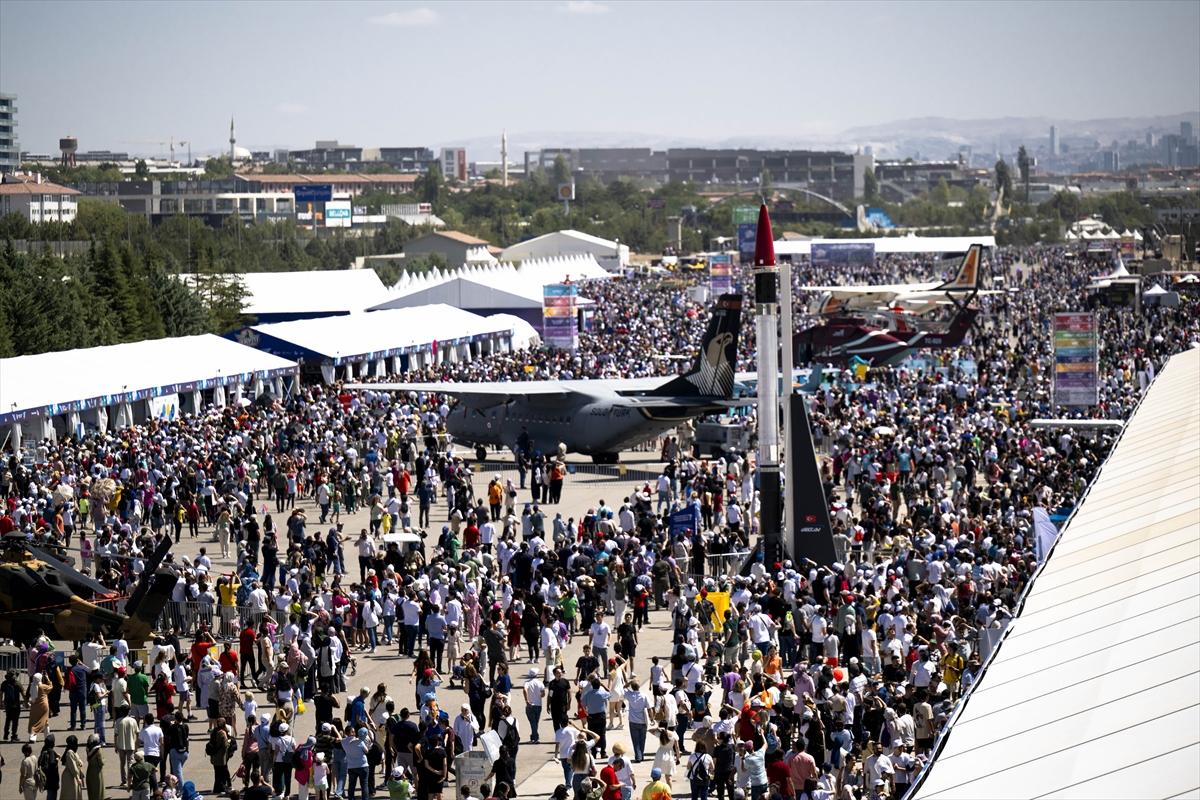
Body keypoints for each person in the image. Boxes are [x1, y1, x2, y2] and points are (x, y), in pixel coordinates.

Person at [28, 671, 52, 741]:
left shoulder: (32, 685)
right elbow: (51, 687)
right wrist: (47, 678)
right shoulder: (42, 686)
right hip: (44, 706)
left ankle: (32, 737)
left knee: (33, 721)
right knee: (45, 721)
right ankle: (47, 737)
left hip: (34, 706)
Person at [85, 735, 105, 800]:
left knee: (91, 792)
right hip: (97, 772)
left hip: (89, 770)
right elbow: (101, 762)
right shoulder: (98, 750)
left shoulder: (88, 748)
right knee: (98, 792)